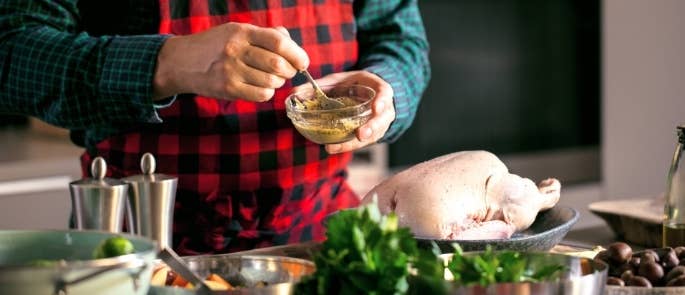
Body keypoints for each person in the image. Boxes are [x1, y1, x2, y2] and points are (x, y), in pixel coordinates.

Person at [0, 0, 430, 255]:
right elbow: (11, 51)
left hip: (319, 236)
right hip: (138, 245)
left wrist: (389, 92)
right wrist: (166, 63)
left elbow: (401, 40)